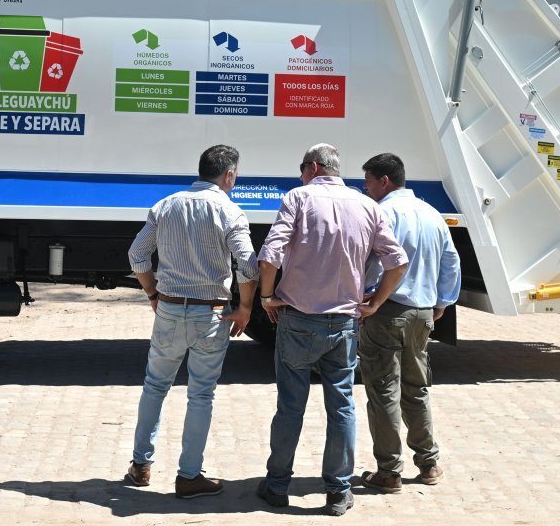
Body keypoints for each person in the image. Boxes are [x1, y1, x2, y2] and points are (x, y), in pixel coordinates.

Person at [256, 143, 408, 517]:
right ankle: (338, 492)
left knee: (290, 407)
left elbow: (271, 254)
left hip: (298, 321)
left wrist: (267, 296)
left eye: (301, 168)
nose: (300, 175)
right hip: (344, 324)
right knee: (342, 408)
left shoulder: (298, 198)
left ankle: (277, 485)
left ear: (313, 167)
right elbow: (398, 262)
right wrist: (374, 303)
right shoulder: (368, 206)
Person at [124, 144, 258, 499]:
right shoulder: (231, 211)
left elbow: (137, 254)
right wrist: (245, 307)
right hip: (211, 313)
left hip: (169, 309)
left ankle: (141, 464)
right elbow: (248, 265)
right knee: (201, 394)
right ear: (229, 175)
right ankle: (189, 476)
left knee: (155, 385)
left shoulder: (165, 206)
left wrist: (152, 293)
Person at [357, 152, 461, 494]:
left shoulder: (382, 213)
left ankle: (389, 471)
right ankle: (428, 463)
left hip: (387, 311)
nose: (366, 187)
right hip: (423, 313)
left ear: (384, 181)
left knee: (383, 391)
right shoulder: (432, 214)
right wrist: (442, 303)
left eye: (368, 181)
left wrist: (367, 299)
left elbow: (372, 262)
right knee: (416, 389)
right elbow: (451, 262)